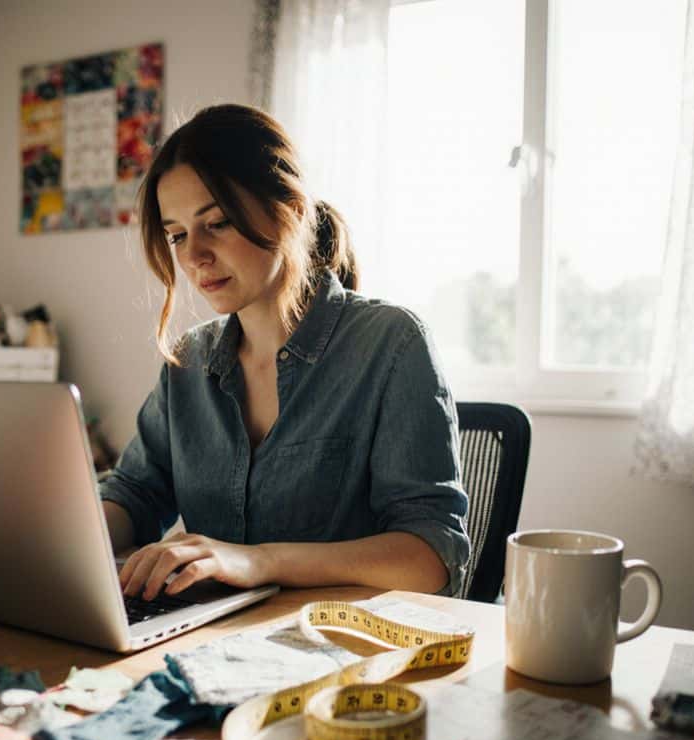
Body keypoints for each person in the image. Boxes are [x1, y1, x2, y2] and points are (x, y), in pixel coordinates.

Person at [100, 104, 470, 602]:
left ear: (290, 211)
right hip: (214, 644)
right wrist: (57, 544)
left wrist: (259, 560)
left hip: (342, 651)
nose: (193, 257)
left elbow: (430, 557)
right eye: (178, 235)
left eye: (218, 223)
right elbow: (135, 494)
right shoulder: (189, 361)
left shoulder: (391, 343)